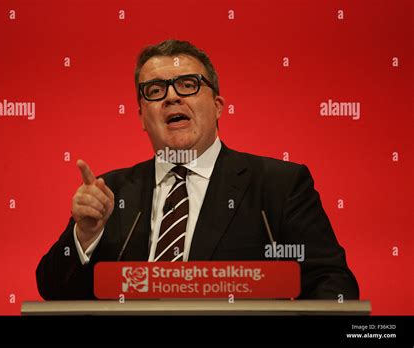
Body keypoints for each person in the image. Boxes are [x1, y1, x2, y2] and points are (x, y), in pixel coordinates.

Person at [36, 39, 359, 300]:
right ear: (141, 117)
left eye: (188, 84)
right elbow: (53, 290)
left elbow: (331, 282)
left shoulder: (279, 185)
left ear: (218, 106)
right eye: (155, 90)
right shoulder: (111, 192)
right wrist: (85, 235)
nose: (172, 96)